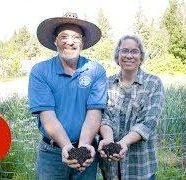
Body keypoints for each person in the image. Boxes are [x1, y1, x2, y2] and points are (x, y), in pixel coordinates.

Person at [28, 12, 107, 180]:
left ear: (83, 42)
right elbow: (47, 116)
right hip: (52, 154)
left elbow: (94, 113)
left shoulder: (95, 70)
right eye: (64, 36)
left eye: (76, 37)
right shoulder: (40, 71)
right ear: (55, 40)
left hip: (86, 153)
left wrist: (84, 147)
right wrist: (67, 148)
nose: (69, 42)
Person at [98, 35, 165, 180]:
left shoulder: (153, 83)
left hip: (140, 167)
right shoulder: (107, 83)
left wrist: (123, 143)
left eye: (134, 51)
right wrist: (109, 141)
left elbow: (148, 122)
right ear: (117, 56)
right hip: (111, 167)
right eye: (124, 51)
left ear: (141, 57)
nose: (129, 55)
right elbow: (103, 117)